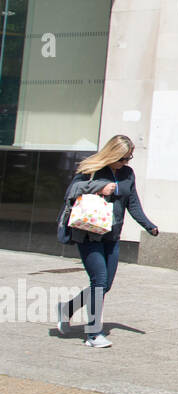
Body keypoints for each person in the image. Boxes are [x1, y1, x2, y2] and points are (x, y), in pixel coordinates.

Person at [55, 135, 159, 347]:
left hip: (112, 236)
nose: (126, 163)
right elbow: (71, 193)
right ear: (112, 154)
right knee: (99, 281)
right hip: (88, 234)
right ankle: (93, 334)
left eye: (129, 158)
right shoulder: (91, 169)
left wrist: (149, 225)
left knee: (104, 285)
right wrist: (99, 187)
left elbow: (133, 203)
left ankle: (67, 309)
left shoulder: (128, 174)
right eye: (122, 159)